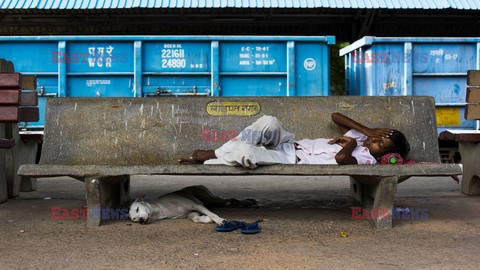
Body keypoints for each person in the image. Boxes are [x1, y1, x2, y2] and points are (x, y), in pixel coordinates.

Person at [178, 113, 410, 169]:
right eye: (376, 139)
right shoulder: (361, 137)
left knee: (245, 153)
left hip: (290, 158)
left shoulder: (366, 159)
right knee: (268, 121)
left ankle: (212, 155)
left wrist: (349, 144)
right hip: (290, 143)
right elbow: (336, 116)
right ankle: (218, 153)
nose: (373, 143)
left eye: (379, 145)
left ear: (383, 155)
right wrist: (367, 130)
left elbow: (341, 159)